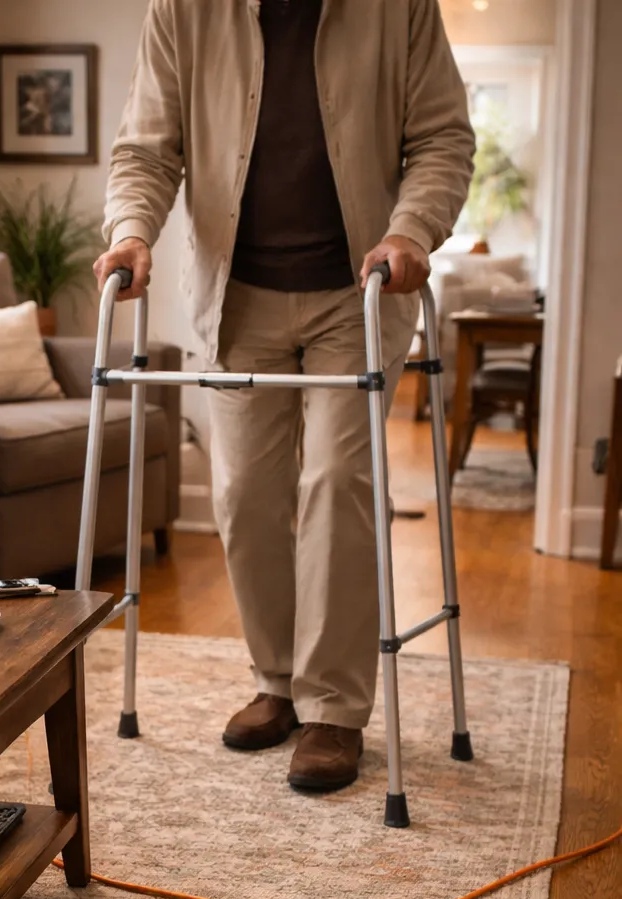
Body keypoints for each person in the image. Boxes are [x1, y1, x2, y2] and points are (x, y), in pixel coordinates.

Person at [95, 0, 474, 792]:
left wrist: (411, 231)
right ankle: (277, 682)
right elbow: (147, 148)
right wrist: (132, 230)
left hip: (356, 288)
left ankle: (334, 708)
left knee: (338, 483)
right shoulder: (184, 10)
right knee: (244, 494)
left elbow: (440, 137)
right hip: (238, 294)